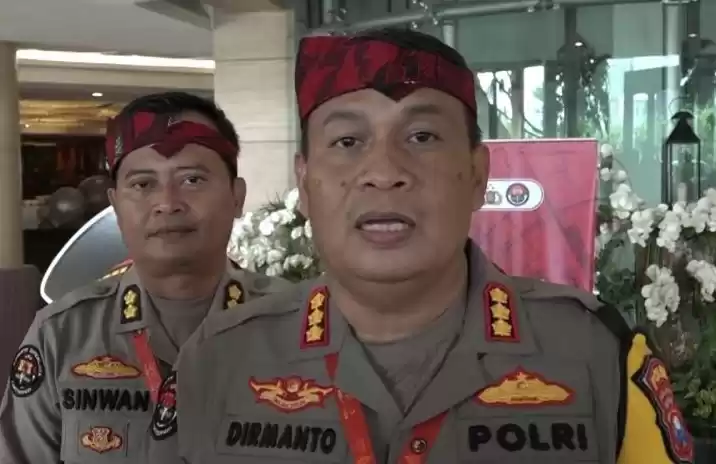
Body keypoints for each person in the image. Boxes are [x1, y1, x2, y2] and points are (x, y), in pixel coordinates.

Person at [159, 30, 694, 464]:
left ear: (478, 174)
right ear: (305, 182)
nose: (384, 172)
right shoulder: (219, 360)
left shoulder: (597, 355)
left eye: (422, 137)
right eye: (347, 142)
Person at [0, 92, 289, 463]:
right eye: (142, 184)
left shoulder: (299, 328)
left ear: (237, 196)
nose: (167, 203)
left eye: (192, 179)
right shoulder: (62, 336)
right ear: (116, 206)